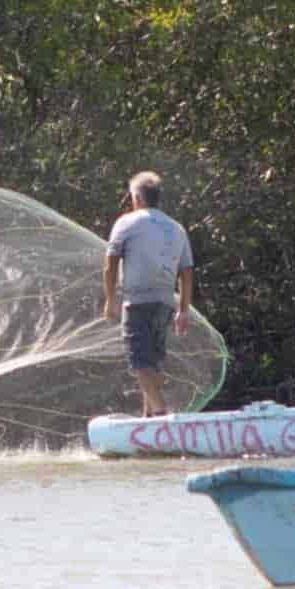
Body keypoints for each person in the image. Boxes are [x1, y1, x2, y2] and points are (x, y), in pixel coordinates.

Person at [103, 171, 194, 417]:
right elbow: (186, 271)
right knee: (152, 361)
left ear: (137, 198)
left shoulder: (126, 222)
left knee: (140, 362)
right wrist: (183, 310)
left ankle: (162, 415)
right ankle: (148, 420)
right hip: (165, 303)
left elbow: (110, 262)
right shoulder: (177, 228)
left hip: (137, 302)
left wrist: (111, 301)